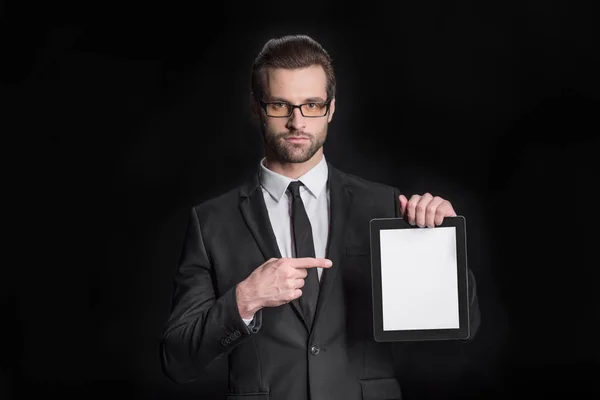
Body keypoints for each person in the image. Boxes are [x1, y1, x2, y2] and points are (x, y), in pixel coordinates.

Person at [159, 34, 480, 400]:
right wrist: (244, 300)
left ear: (330, 109)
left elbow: (463, 326)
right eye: (280, 105)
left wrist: (442, 243)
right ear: (256, 107)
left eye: (311, 105)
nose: (297, 122)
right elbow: (176, 359)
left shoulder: (386, 204)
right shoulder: (211, 222)